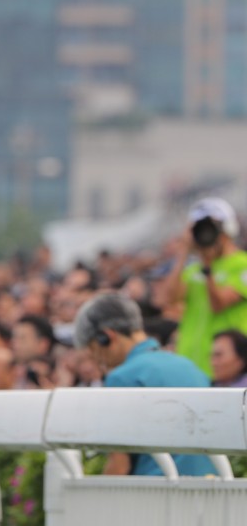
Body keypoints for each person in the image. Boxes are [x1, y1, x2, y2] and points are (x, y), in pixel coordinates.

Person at [73, 291, 217, 477]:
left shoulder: (122, 377)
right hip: (209, 487)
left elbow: (119, 466)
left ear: (107, 337)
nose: (97, 360)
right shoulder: (189, 366)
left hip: (153, 493)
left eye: (94, 350)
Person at [163, 197, 247, 378]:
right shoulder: (194, 269)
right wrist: (183, 253)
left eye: (212, 228)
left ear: (227, 231)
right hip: (190, 364)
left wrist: (208, 267)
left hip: (226, 369)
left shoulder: (242, 264)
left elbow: (219, 304)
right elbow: (168, 299)